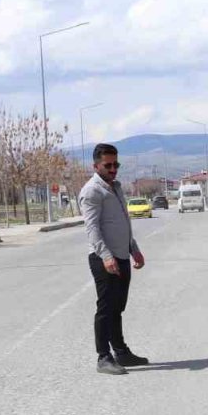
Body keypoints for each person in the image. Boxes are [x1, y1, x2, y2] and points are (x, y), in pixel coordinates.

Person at [80, 143, 147, 375]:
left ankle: (121, 351)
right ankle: (103, 357)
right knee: (106, 308)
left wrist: (133, 249)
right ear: (96, 165)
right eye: (107, 165)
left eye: (115, 164)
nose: (112, 169)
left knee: (118, 308)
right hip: (103, 259)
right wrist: (107, 257)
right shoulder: (91, 191)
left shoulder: (116, 187)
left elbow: (123, 223)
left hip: (122, 255)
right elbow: (92, 229)